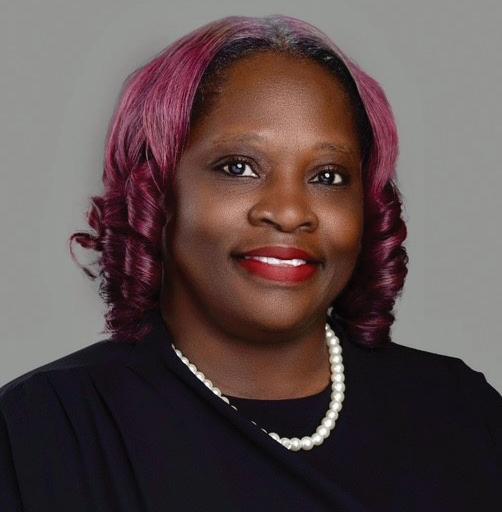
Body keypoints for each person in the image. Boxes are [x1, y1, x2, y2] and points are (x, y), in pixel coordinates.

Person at [1, 14, 501, 512]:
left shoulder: (460, 413)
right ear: (156, 194)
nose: (289, 212)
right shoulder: (42, 432)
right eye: (238, 167)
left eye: (328, 176)